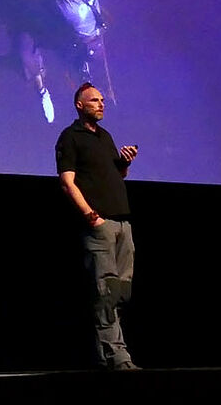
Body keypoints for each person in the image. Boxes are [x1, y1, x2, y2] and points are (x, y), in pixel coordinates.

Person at [55, 83, 140, 370]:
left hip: (122, 223)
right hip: (100, 225)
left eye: (102, 100)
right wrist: (92, 217)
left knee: (120, 293)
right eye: (94, 100)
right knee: (104, 292)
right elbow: (68, 182)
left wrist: (124, 164)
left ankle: (106, 356)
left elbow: (117, 176)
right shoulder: (71, 137)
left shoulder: (105, 137)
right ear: (80, 105)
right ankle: (117, 356)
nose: (101, 104)